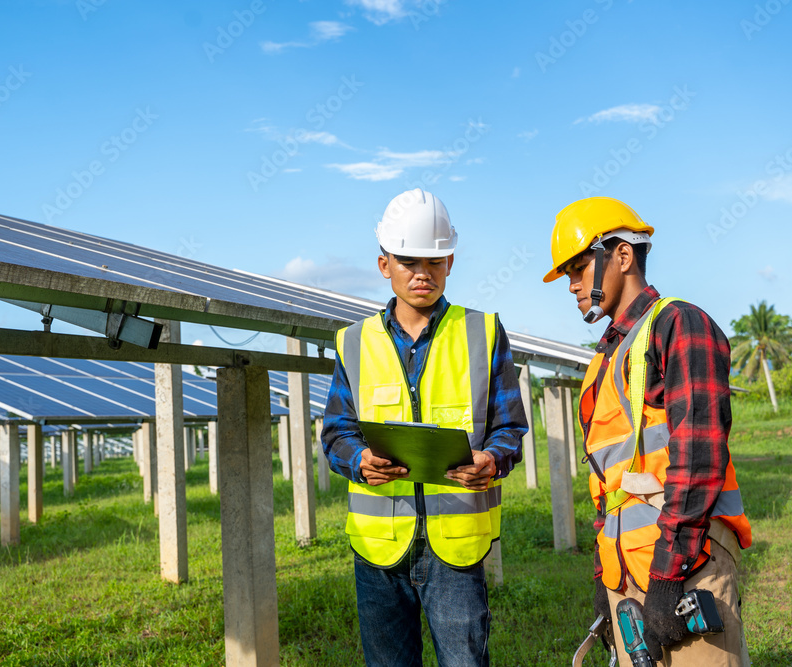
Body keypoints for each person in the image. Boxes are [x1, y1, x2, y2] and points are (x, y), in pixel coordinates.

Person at [542, 196, 753, 665]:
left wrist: (666, 577)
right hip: (626, 574)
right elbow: (607, 484)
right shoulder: (604, 359)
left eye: (578, 268)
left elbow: (699, 458)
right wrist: (603, 579)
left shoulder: (679, 323)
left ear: (621, 255)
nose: (572, 284)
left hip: (687, 567)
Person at [321, 188, 527, 667]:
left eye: (434, 260)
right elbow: (336, 432)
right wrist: (359, 460)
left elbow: (509, 426)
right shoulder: (353, 342)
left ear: (450, 262)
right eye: (408, 260)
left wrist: (493, 459)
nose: (422, 273)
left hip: (455, 549)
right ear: (383, 265)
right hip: (378, 550)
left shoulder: (484, 331)